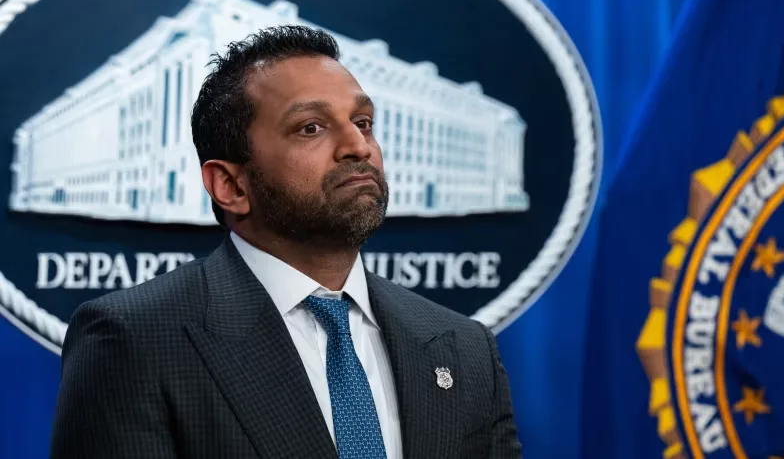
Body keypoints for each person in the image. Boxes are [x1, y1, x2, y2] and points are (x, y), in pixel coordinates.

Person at [49, 26, 522, 459]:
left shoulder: (464, 347)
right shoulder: (135, 339)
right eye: (310, 127)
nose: (358, 147)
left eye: (362, 122)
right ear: (230, 185)